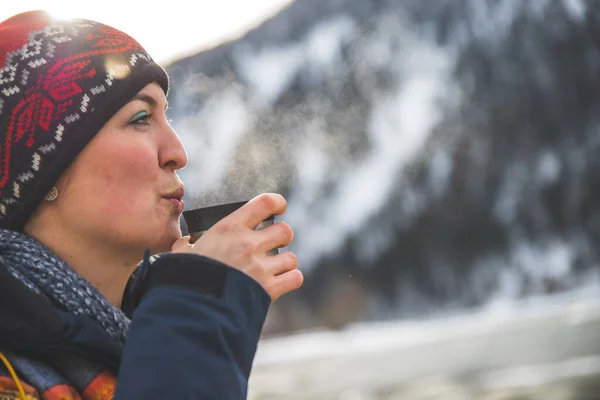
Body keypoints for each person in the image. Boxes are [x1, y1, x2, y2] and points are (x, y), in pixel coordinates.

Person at [0, 10, 303, 399]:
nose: (178, 153)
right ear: (43, 173)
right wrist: (194, 314)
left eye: (167, 116)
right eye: (141, 118)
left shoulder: (137, 339)